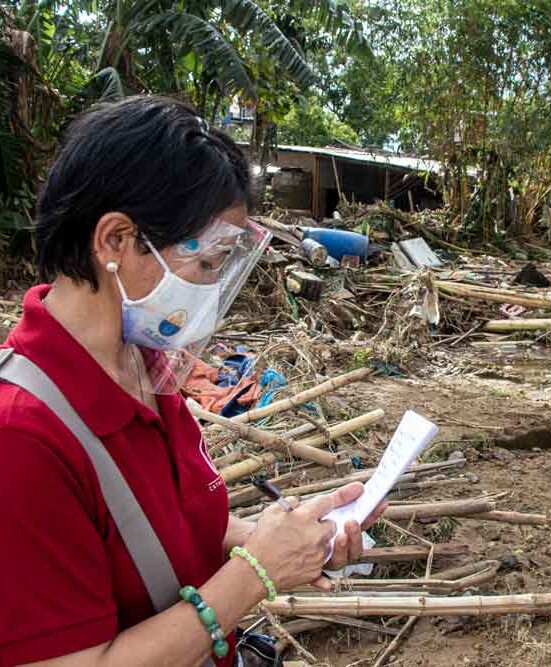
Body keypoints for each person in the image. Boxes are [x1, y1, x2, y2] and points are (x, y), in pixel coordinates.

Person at [0, 96, 382, 666]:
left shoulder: (145, 370)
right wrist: (254, 577)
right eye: (204, 264)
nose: (208, 290)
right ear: (114, 241)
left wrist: (279, 540)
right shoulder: (23, 439)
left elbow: (161, 525)